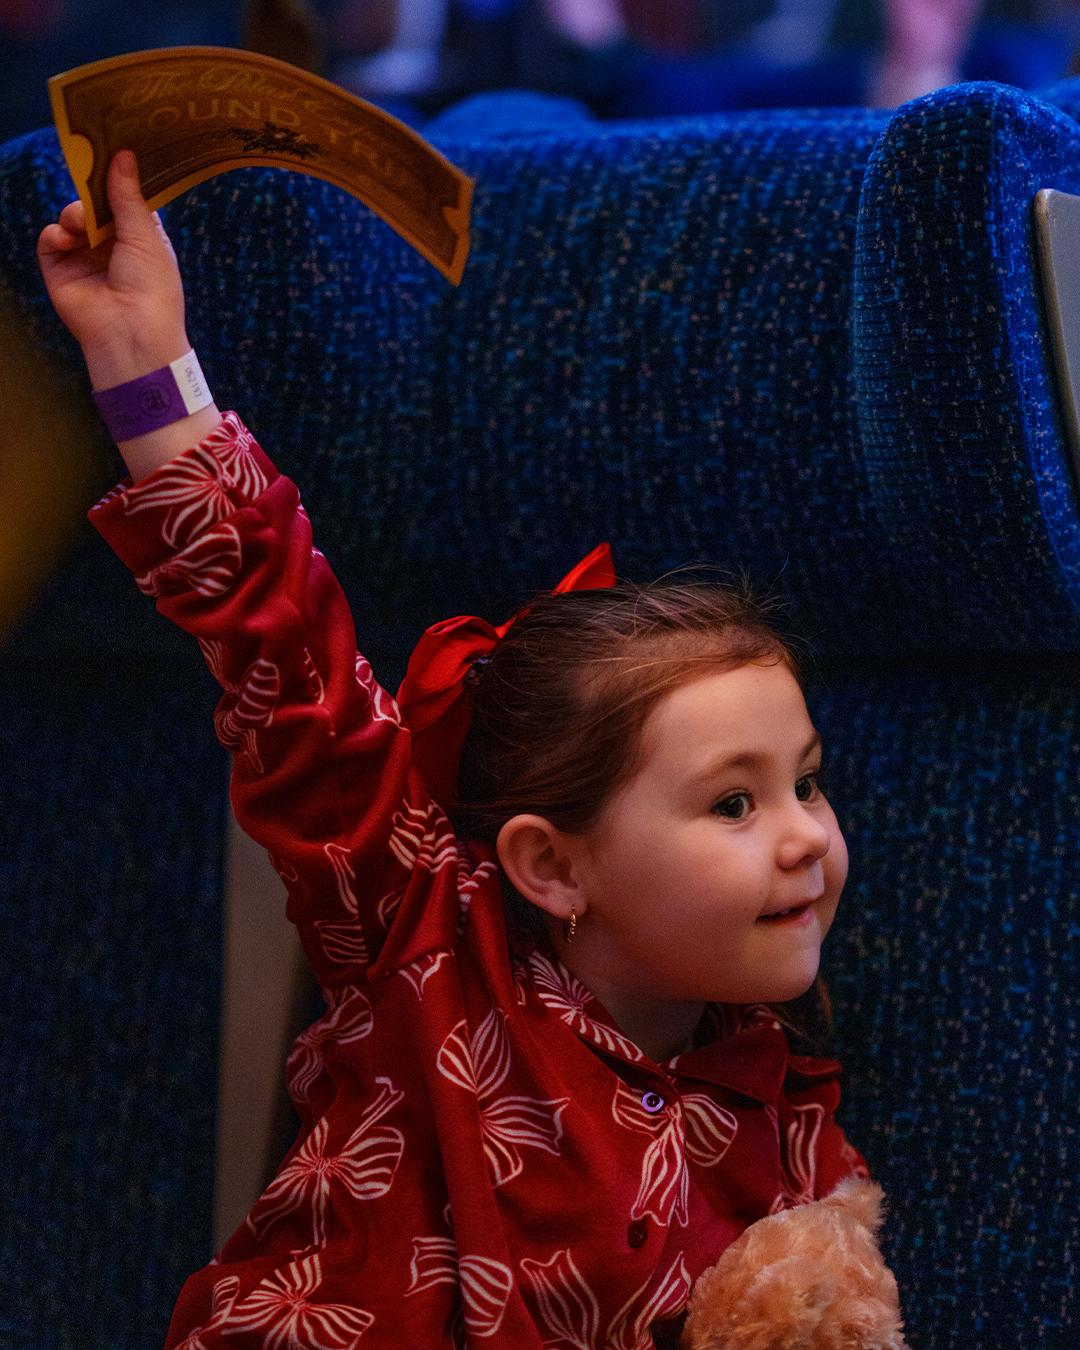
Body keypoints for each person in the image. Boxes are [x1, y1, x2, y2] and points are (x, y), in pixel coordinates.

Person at [38, 152, 868, 1349]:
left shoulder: (783, 1124)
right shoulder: (426, 938)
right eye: (734, 805)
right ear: (551, 866)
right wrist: (140, 356)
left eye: (806, 782)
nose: (807, 838)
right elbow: (283, 657)